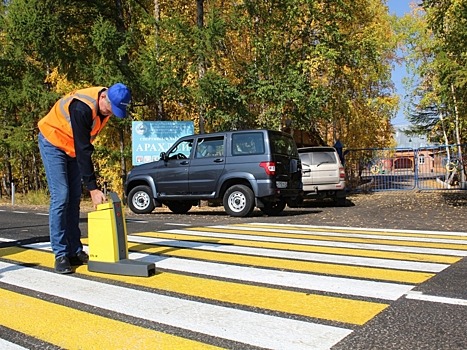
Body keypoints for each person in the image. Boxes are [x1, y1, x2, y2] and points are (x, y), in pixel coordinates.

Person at [38, 83, 131, 274]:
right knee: (61, 196)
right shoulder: (82, 107)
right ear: (103, 98)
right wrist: (93, 188)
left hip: (71, 147)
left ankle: (74, 250)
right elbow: (83, 150)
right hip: (53, 142)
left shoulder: (105, 105)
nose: (111, 113)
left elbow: (82, 147)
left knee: (73, 200)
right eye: (111, 108)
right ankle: (61, 254)